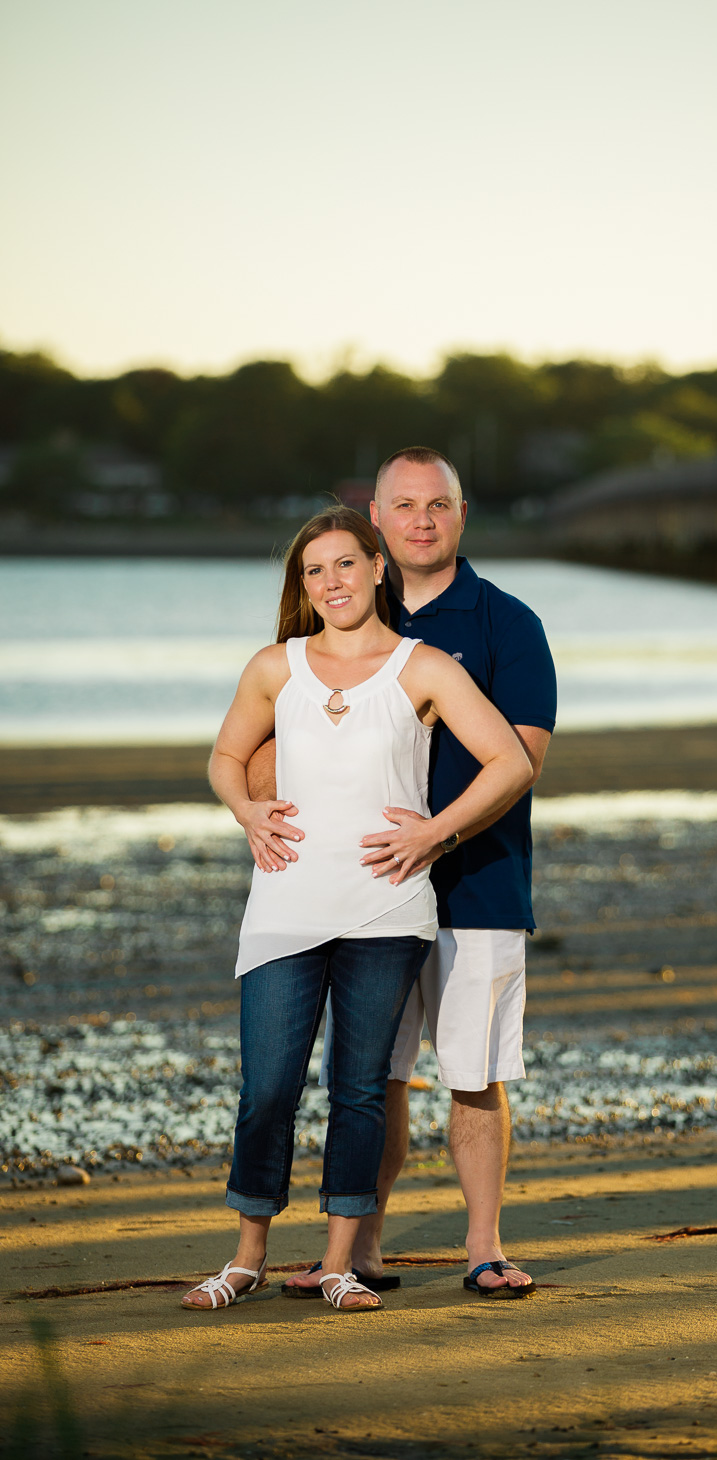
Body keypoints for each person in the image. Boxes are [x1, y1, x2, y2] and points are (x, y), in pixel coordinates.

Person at [180, 505, 531, 1313]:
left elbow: (508, 761)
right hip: (284, 907)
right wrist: (247, 811)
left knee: (361, 1090)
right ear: (301, 585)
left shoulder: (426, 667)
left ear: (378, 568)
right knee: (266, 1087)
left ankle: (341, 1261)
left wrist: (437, 834)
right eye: (314, 570)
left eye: (345, 564)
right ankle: (246, 1258)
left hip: (386, 911)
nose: (331, 582)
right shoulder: (276, 665)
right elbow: (226, 756)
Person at [272, 448, 557, 1301]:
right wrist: (263, 813)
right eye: (405, 506)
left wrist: (433, 836)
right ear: (377, 520)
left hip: (479, 885)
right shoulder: (347, 603)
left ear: (461, 515)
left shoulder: (510, 623)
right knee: (372, 1075)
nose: (422, 519)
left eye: (438, 504)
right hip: (365, 891)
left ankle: (483, 1247)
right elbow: (270, 729)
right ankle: (354, 1253)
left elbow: (524, 758)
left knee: (473, 1071)